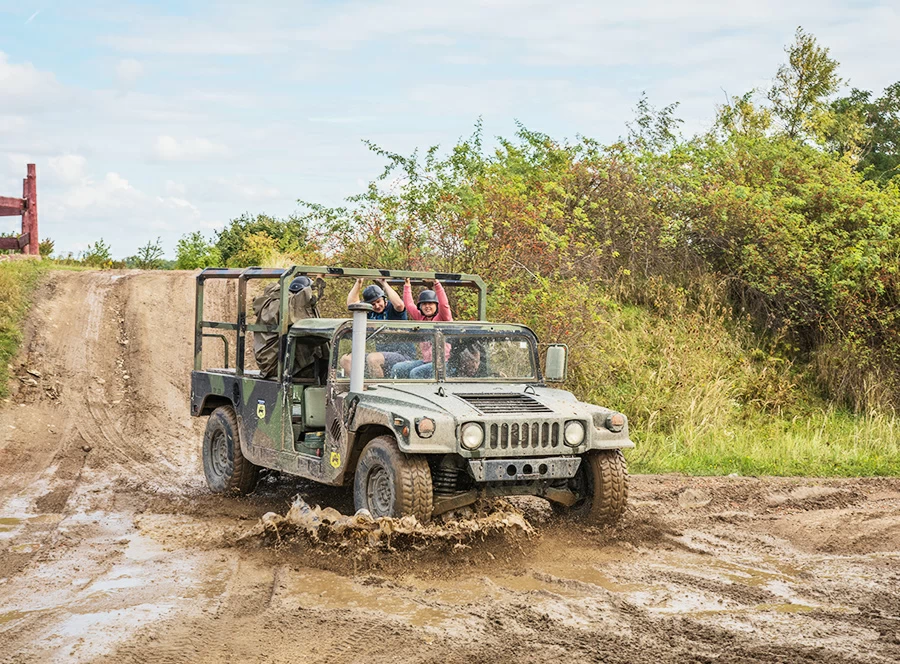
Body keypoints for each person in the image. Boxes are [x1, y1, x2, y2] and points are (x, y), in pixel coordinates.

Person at [253, 275, 323, 379]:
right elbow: (303, 299)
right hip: (277, 363)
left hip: (269, 361)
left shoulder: (272, 303)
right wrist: (319, 279)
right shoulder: (285, 306)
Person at [341, 278, 408, 378]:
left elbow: (399, 305)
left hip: (401, 354)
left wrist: (384, 283)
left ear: (384, 299)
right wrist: (358, 282)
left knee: (373, 358)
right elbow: (351, 304)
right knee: (346, 359)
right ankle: (359, 389)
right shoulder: (369, 312)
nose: (377, 306)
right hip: (381, 354)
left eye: (378, 301)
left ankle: (378, 390)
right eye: (372, 304)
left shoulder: (392, 309)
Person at [391, 278, 454, 378]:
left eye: (430, 303)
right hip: (427, 362)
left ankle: (418, 393)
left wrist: (436, 283)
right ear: (420, 306)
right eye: (424, 304)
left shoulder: (443, 318)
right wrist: (407, 285)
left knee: (416, 372)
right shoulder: (421, 318)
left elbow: (444, 304)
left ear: (436, 305)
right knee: (397, 368)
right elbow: (409, 304)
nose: (427, 306)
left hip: (444, 363)